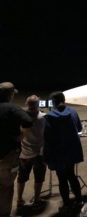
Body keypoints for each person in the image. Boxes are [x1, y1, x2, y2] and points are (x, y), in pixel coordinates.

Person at [43, 91, 84, 213]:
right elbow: (80, 128)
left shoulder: (49, 116)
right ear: (64, 100)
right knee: (71, 175)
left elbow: (47, 137)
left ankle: (66, 203)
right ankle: (79, 200)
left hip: (58, 153)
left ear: (53, 102)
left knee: (62, 179)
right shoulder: (73, 112)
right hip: (72, 150)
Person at [0, 82, 33, 217]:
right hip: (8, 156)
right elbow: (28, 121)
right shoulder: (12, 108)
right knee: (6, 188)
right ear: (10, 94)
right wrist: (21, 136)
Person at [16, 95, 47, 210]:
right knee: (39, 178)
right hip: (39, 153)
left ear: (26, 104)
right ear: (38, 105)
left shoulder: (21, 118)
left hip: (25, 153)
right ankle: (37, 199)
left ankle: (19, 199)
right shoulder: (43, 117)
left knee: (21, 178)